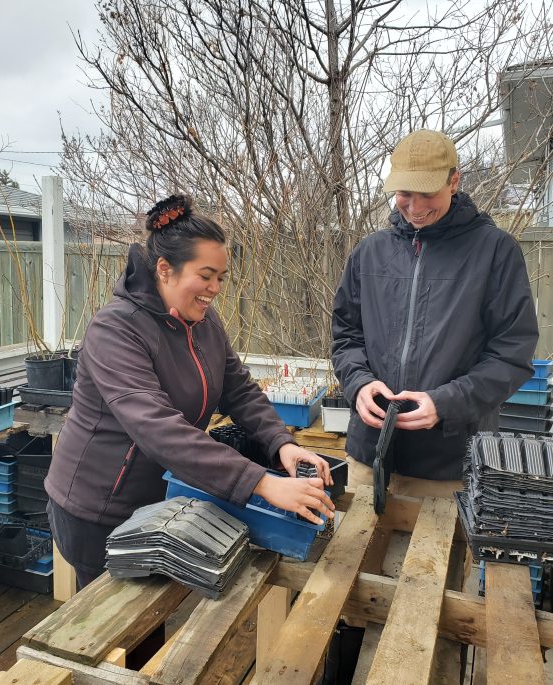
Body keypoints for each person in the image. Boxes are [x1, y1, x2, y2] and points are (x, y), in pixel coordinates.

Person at [45, 194, 334, 589]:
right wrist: (263, 484)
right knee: (110, 631)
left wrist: (282, 444)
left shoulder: (203, 321)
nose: (215, 288)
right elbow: (158, 428)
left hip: (158, 500)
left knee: (150, 621)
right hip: (100, 509)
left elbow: (239, 389)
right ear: (165, 269)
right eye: (205, 275)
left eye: (221, 277)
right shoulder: (116, 330)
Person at [332, 129, 539, 498]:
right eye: (404, 194)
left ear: (454, 181)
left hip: (448, 465)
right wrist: (358, 383)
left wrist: (445, 403)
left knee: (434, 555)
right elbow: (346, 334)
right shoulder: (370, 252)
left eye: (427, 193)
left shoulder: (495, 252)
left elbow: (513, 355)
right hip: (369, 454)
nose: (414, 206)